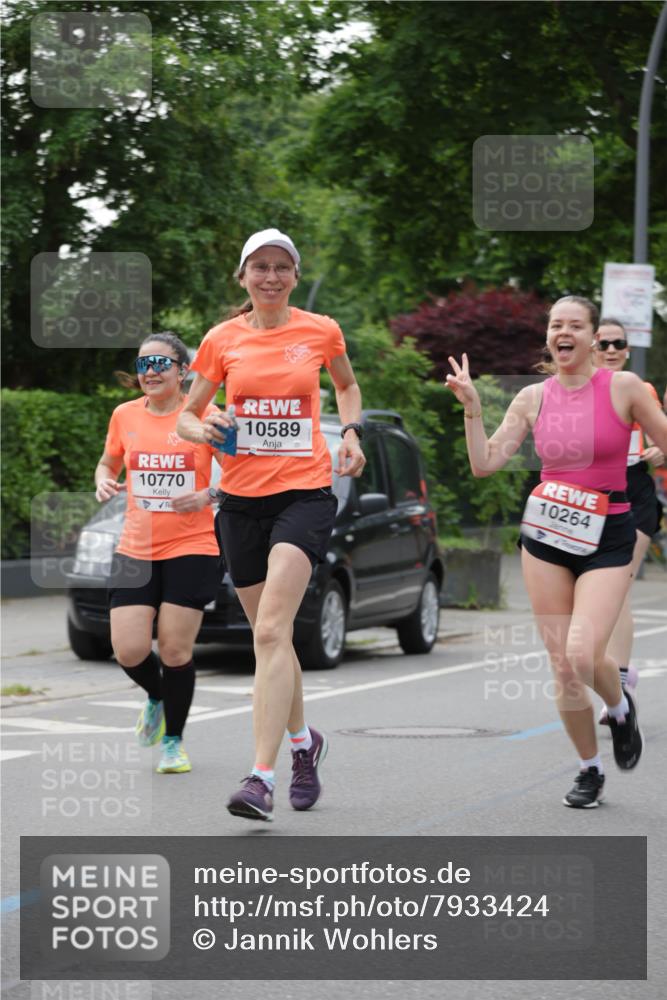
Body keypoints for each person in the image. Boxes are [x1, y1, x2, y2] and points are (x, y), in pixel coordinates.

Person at [446, 296, 667, 808]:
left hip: (608, 532)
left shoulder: (624, 388)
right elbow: (485, 463)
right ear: (548, 337)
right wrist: (473, 408)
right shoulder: (532, 397)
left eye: (575, 326)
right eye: (555, 325)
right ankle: (589, 768)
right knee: (563, 666)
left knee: (583, 654)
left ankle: (619, 708)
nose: (563, 332)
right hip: (547, 534)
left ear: (592, 337)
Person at [177, 228, 365, 821]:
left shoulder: (321, 330)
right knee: (273, 640)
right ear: (243, 276)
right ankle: (305, 744)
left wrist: (351, 433)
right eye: (259, 266)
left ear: (294, 276)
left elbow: (347, 384)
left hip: (304, 495)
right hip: (239, 503)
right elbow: (186, 415)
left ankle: (260, 779)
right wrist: (204, 428)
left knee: (270, 632)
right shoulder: (221, 339)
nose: (271, 276)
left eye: (282, 267)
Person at [95, 331, 220, 774]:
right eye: (143, 364)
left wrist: (207, 495)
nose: (150, 372)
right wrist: (103, 480)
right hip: (136, 546)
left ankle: (173, 743)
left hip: (192, 546)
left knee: (174, 650)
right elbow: (108, 462)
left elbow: (240, 475)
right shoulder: (124, 415)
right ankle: (156, 696)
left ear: (183, 371)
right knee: (128, 650)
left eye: (160, 363)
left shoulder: (206, 415)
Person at [593, 318, 664, 723]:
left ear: (627, 349)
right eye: (603, 343)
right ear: (591, 347)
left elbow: (659, 439)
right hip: (589, 497)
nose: (611, 350)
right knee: (592, 597)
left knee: (618, 587)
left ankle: (619, 684)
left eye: (618, 344)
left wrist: (658, 451)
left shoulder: (641, 390)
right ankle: (616, 673)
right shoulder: (575, 391)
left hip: (634, 492)